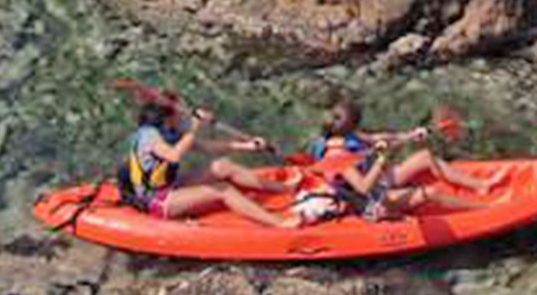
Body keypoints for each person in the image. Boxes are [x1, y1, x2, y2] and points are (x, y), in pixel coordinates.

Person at [115, 85, 297, 229]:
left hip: (171, 184)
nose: (182, 113)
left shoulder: (171, 131)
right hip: (156, 200)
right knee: (222, 189)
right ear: (167, 117)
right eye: (179, 111)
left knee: (223, 166)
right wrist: (194, 126)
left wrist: (247, 146)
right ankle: (277, 223)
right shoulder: (149, 136)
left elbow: (208, 147)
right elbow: (174, 156)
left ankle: (286, 190)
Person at [308, 96, 506, 197]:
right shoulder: (338, 156)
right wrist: (381, 158)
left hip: (377, 176)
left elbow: (377, 139)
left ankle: (480, 185)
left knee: (425, 156)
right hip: (370, 191)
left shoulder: (340, 135)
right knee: (424, 166)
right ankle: (478, 192)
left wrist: (410, 135)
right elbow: (362, 188)